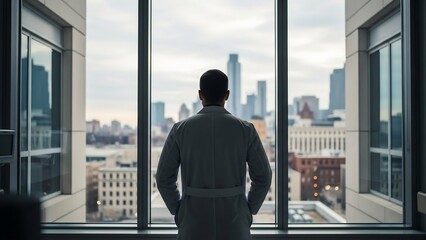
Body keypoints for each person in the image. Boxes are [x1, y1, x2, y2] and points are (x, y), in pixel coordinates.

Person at [156, 69, 272, 240]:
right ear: (227, 95)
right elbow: (263, 176)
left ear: (200, 95)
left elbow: (163, 178)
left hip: (192, 222)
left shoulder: (180, 130)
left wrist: (178, 211)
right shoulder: (245, 129)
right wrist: (249, 209)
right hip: (235, 221)